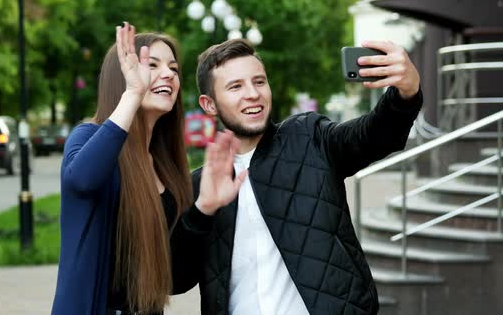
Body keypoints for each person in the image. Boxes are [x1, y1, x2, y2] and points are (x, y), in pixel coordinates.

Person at [181, 39, 423, 315]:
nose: (253, 94)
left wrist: (406, 92)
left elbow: (372, 135)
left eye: (259, 82)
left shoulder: (308, 137)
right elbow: (177, 281)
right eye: (236, 86)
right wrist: (202, 211)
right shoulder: (200, 187)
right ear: (209, 104)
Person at [50, 23, 245, 315]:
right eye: (151, 65)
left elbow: (174, 280)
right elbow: (81, 180)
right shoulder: (88, 137)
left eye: (174, 68)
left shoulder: (166, 166)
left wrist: (204, 207)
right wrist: (132, 94)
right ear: (124, 76)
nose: (168, 74)